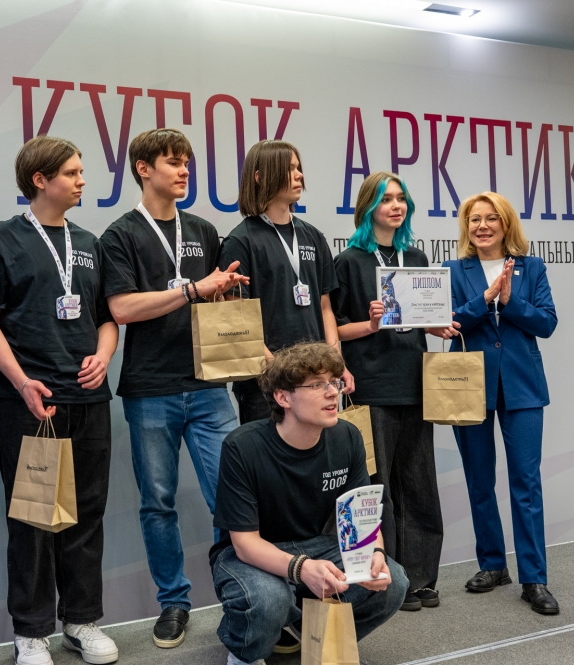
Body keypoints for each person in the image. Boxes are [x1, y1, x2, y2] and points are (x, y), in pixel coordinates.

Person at [99, 128, 248, 648]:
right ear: (143, 169)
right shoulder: (120, 235)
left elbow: (215, 302)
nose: (184, 171)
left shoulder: (204, 230)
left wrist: (222, 293)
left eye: (186, 162)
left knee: (231, 497)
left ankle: (242, 598)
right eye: (172, 162)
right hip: (150, 389)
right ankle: (174, 603)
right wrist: (192, 289)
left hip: (209, 385)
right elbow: (121, 308)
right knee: (157, 502)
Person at [0, 136, 119, 665]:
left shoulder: (89, 241)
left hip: (89, 398)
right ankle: (30, 632)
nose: (82, 181)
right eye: (73, 173)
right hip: (31, 402)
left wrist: (104, 354)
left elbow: (107, 318)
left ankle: (81, 620)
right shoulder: (1, 239)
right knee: (35, 519)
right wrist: (19, 382)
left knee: (86, 513)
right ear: (41, 180)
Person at [210, 342, 407, 665]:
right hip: (251, 552)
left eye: (334, 382)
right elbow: (244, 544)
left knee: (394, 582)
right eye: (316, 385)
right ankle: (245, 651)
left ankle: (313, 634)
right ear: (283, 397)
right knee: (269, 600)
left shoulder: (348, 436)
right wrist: (302, 569)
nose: (332, 393)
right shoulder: (242, 447)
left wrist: (374, 556)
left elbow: (360, 518)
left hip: (316, 544)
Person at [333, 172, 454, 612]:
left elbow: (420, 318)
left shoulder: (416, 258)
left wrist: (437, 325)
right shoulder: (348, 262)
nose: (396, 206)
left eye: (401, 199)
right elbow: (334, 330)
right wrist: (370, 324)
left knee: (419, 484)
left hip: (415, 382)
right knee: (377, 488)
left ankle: (420, 578)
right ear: (369, 207)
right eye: (386, 200)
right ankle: (388, 580)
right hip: (372, 386)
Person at [443, 192, 559, 614]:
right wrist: (486, 297)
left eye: (491, 218)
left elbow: (547, 323)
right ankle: (493, 564)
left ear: (506, 224)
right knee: (479, 479)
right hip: (469, 383)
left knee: (526, 483)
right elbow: (447, 322)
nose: (482, 226)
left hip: (523, 386)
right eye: (474, 219)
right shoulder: (452, 270)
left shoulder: (533, 267)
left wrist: (509, 301)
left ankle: (534, 578)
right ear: (466, 227)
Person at [218, 140, 350, 425]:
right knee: (271, 453)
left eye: (298, 167)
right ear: (260, 176)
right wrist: (276, 370)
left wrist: (333, 362)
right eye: (289, 169)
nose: (299, 175)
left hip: (317, 378)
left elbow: (325, 306)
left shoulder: (313, 237)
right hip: (266, 383)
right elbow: (238, 319)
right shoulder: (240, 241)